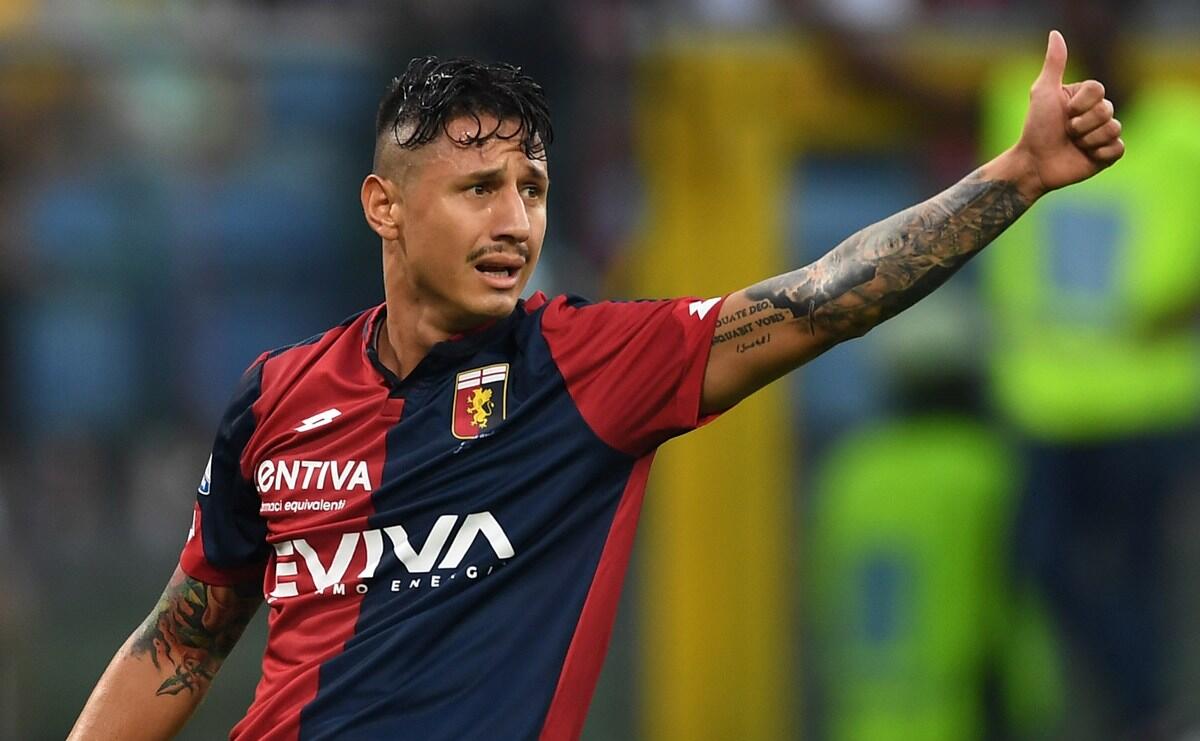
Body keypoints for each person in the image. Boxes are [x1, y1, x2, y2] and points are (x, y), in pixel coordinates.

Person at [70, 33, 1123, 741]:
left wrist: (1017, 175)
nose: (517, 222)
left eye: (531, 189)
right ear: (384, 207)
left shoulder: (583, 367)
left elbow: (818, 299)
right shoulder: (275, 397)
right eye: (480, 189)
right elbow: (183, 641)